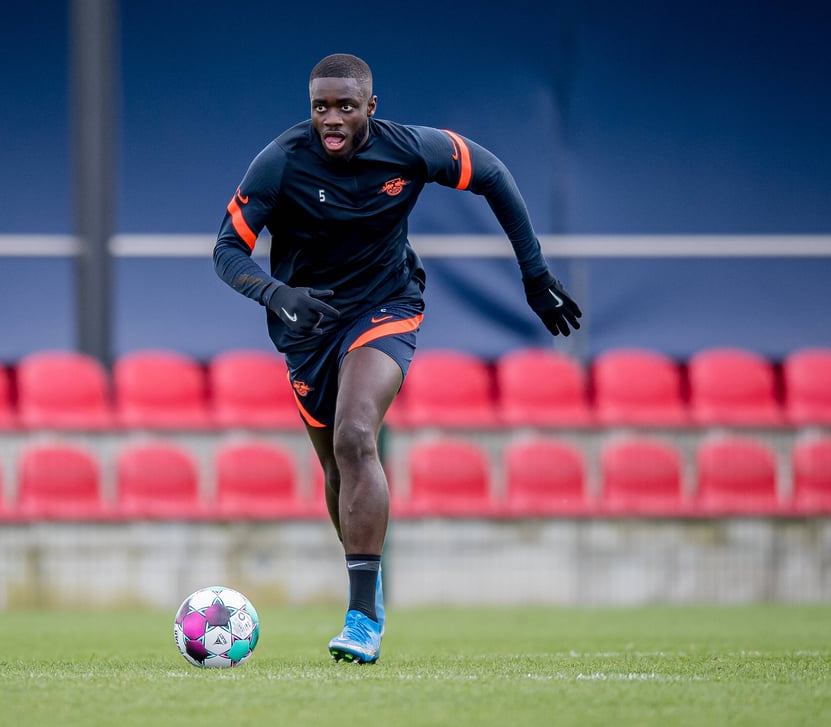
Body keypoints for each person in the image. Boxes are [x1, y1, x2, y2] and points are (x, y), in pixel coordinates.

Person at [213, 53, 581, 664]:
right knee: (335, 465)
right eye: (320, 107)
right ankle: (369, 581)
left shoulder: (410, 149)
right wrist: (277, 295)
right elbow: (228, 250)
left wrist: (534, 272)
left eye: (345, 107)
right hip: (308, 326)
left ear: (371, 109)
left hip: (387, 306)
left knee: (358, 435)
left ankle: (360, 619)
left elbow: (491, 173)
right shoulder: (279, 162)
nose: (331, 119)